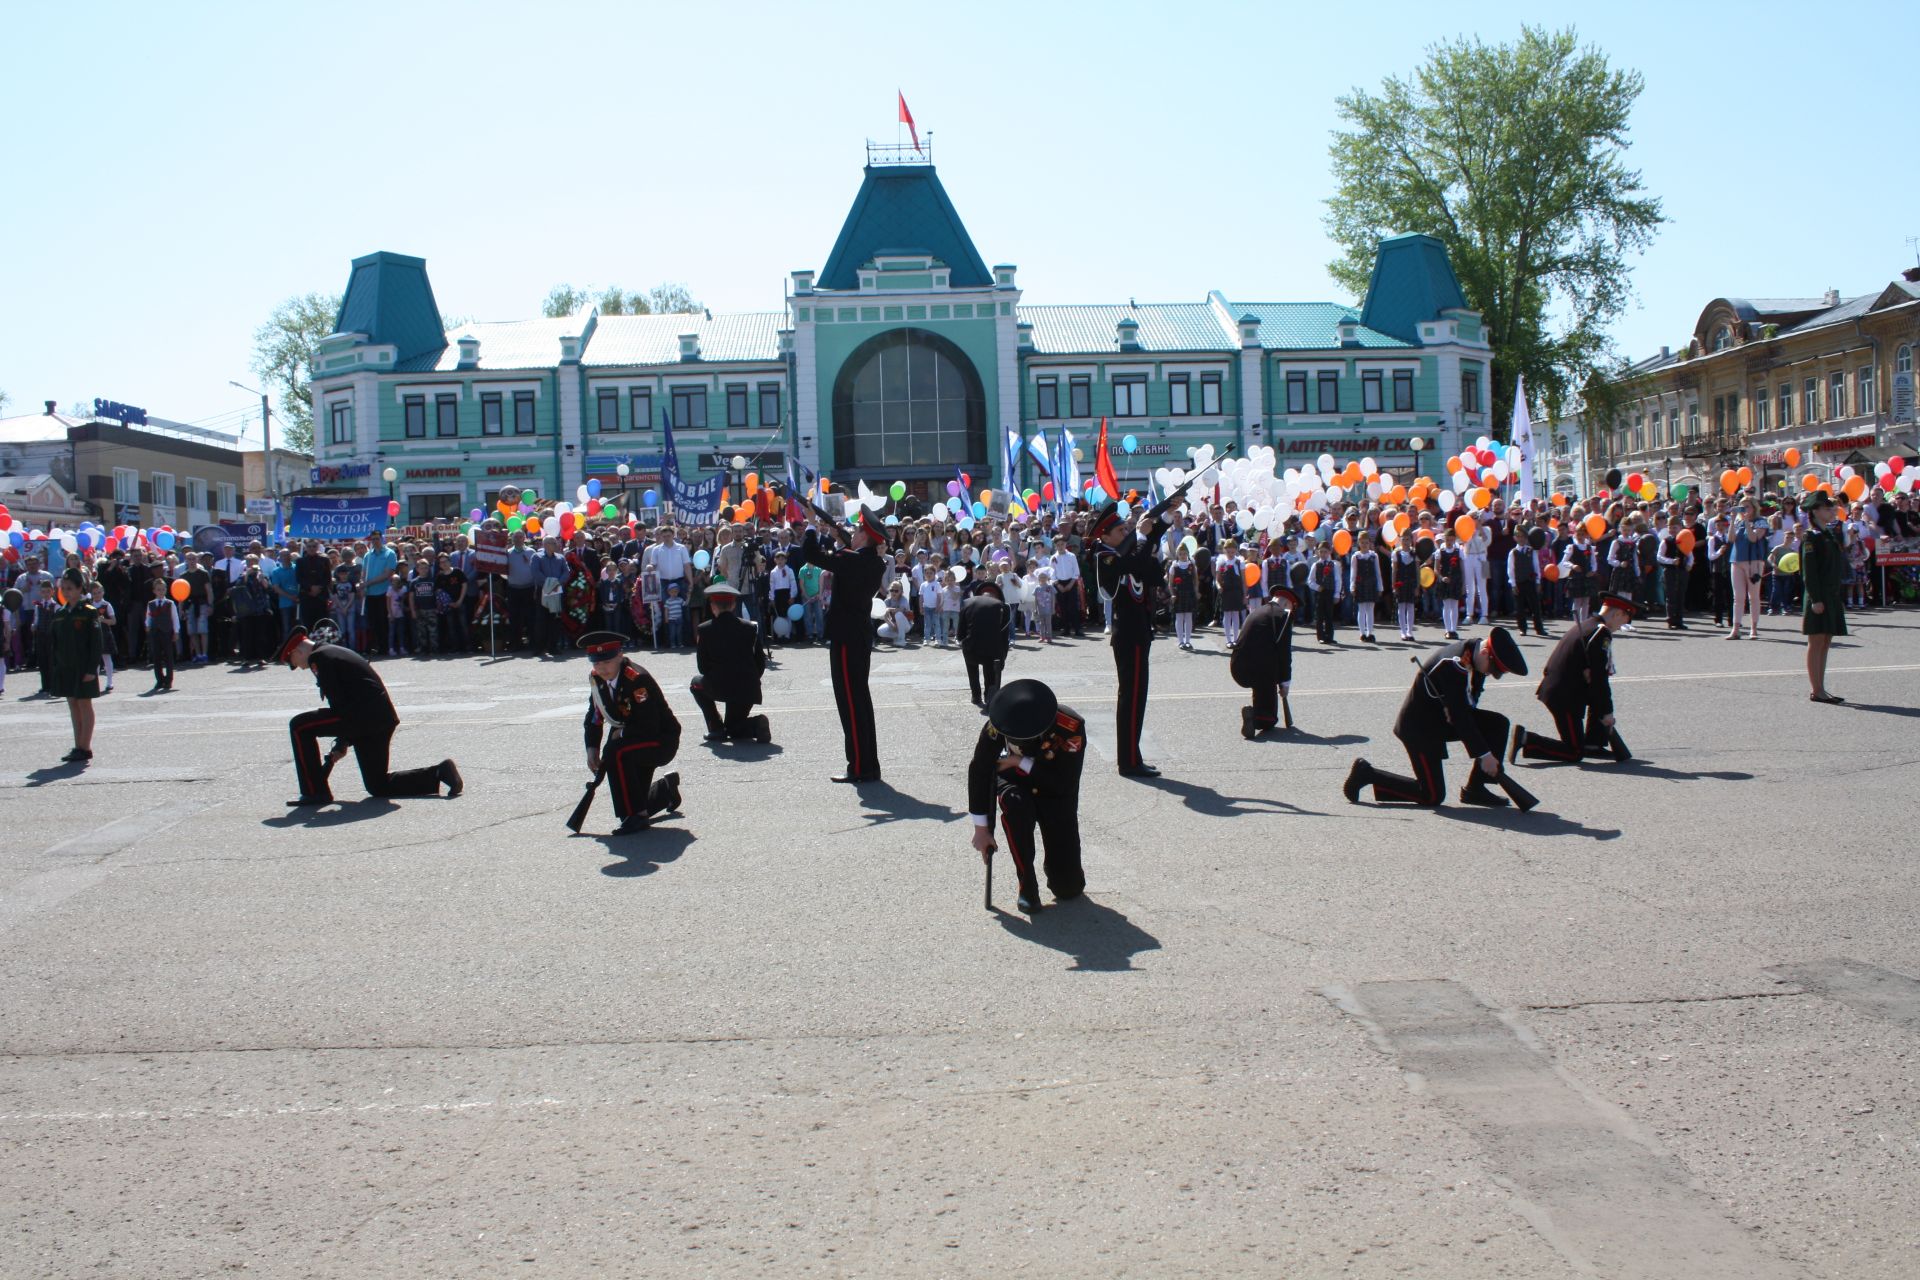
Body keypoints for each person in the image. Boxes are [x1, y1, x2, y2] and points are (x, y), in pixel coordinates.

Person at [278, 625, 462, 807]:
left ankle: (314, 791)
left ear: (297, 651)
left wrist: (343, 741)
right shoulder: (332, 650)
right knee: (378, 785)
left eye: (293, 661)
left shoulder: (319, 657)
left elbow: (339, 705)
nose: (300, 667)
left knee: (299, 726)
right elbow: (347, 704)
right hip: (380, 718)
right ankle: (440, 772)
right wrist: (343, 742)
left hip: (362, 717)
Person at [1344, 627, 1528, 808]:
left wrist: (1462, 711)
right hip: (1420, 729)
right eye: (1492, 669)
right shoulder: (1454, 664)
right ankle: (1366, 773)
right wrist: (1485, 755)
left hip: (1440, 720)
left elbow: (1468, 705)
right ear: (1486, 652)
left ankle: (1476, 789)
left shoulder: (1475, 654)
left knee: (1498, 724)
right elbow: (1461, 719)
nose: (1489, 674)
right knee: (1432, 796)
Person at [967, 679, 1088, 915]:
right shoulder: (998, 723)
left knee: (1068, 888)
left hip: (1056, 788)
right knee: (1015, 806)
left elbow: (1064, 783)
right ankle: (1027, 886)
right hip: (1016, 783)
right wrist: (981, 829)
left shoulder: (1069, 726)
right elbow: (980, 770)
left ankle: (1059, 871)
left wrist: (1020, 761)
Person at [793, 506, 887, 784]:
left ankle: (858, 766)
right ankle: (867, 764)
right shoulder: (872, 561)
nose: (854, 533)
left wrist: (812, 525)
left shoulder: (854, 560)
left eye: (857, 530)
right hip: (858, 636)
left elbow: (811, 555)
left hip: (846, 638)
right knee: (860, 701)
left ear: (864, 537)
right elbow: (853, 555)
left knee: (850, 703)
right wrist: (839, 535)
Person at [1512, 593, 1636, 765]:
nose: (1621, 626)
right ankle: (1527, 739)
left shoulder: (1588, 625)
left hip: (1559, 689)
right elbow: (1600, 679)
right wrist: (1608, 713)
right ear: (1617, 614)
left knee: (1594, 694)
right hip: (1564, 697)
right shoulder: (1601, 633)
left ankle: (1593, 744)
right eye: (1624, 620)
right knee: (1574, 752)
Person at [579, 629, 681, 834]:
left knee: (615, 752)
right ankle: (664, 791)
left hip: (659, 739)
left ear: (620, 656)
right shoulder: (597, 679)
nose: (602, 668)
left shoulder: (636, 679)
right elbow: (595, 716)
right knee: (635, 795)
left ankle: (635, 817)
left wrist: (620, 736)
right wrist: (592, 748)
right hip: (634, 738)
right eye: (596, 663)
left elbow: (649, 723)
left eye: (607, 661)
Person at [1094, 501, 1167, 778]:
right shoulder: (1105, 555)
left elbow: (1147, 565)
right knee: (1131, 697)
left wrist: (1164, 519)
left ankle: (1132, 756)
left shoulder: (1125, 552)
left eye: (1127, 529)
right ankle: (1128, 761)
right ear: (1105, 535)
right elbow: (1135, 558)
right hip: (1128, 634)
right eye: (1121, 530)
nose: (1126, 532)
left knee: (1137, 697)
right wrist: (1143, 534)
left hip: (1139, 632)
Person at [689, 582, 769, 744]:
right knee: (734, 728)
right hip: (747, 687)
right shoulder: (750, 628)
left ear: (713, 607)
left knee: (695, 683)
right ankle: (755, 724)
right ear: (733, 605)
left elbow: (702, 667)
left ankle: (715, 727)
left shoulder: (704, 630)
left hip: (720, 685)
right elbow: (760, 662)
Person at [46, 570, 103, 762]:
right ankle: (77, 744)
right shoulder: (60, 613)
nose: (66, 592)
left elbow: (96, 643)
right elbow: (55, 642)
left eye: (70, 588)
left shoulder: (88, 612)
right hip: (66, 666)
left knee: (84, 703)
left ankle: (85, 746)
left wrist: (91, 669)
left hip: (83, 665)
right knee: (72, 703)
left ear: (80, 588)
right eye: (63, 588)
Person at [1800, 491, 1848, 704]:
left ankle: (1821, 687)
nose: (1832, 511)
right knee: (1816, 641)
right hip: (1818, 595)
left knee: (1826, 640)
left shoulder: (1828, 534)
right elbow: (1808, 572)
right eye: (1827, 508)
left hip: (1831, 593)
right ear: (1816, 511)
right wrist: (1815, 599)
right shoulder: (1810, 536)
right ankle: (1816, 689)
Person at [1230, 586, 1297, 740]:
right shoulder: (1284, 616)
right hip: (1261, 671)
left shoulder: (1256, 611)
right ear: (1287, 604)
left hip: (1238, 667)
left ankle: (1256, 712)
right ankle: (1256, 718)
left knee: (1262, 678)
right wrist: (1285, 682)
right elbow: (1284, 653)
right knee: (1269, 719)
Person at [957, 578, 1011, 710]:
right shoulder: (1003, 606)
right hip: (991, 649)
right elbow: (1004, 636)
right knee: (990, 671)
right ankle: (989, 696)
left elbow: (960, 633)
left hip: (971, 647)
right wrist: (1002, 657)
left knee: (972, 670)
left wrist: (965, 642)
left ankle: (976, 696)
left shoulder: (967, 602)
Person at [144, 577, 179, 692]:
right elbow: (148, 616)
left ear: (166, 590)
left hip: (167, 631)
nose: (161, 592)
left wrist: (176, 631)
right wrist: (147, 625)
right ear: (154, 591)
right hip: (155, 632)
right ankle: (159, 680)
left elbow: (175, 618)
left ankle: (168, 680)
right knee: (156, 656)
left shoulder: (170, 603)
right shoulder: (151, 604)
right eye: (158, 590)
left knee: (168, 656)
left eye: (163, 589)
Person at [1309, 541, 1342, 645]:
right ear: (1318, 552)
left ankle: (1329, 636)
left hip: (1330, 592)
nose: (1323, 554)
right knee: (1320, 615)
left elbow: (1338, 580)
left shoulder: (1334, 564)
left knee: (1329, 615)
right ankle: (1321, 636)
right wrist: (1317, 587)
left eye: (1325, 552)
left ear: (1330, 552)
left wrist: (1337, 594)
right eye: (1321, 552)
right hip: (1320, 593)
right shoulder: (1316, 565)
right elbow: (1310, 580)